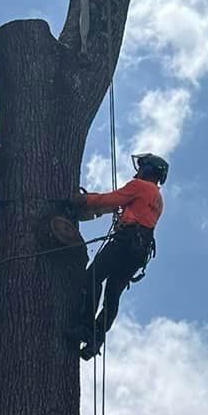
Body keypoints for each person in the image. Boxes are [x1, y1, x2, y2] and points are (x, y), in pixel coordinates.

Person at [72, 153, 168, 360]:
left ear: (149, 170)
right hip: (138, 253)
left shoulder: (140, 187)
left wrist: (84, 200)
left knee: (93, 277)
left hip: (124, 242)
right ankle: (96, 338)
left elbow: (111, 199)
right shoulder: (158, 199)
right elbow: (122, 207)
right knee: (112, 295)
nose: (138, 171)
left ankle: (85, 326)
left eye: (142, 167)